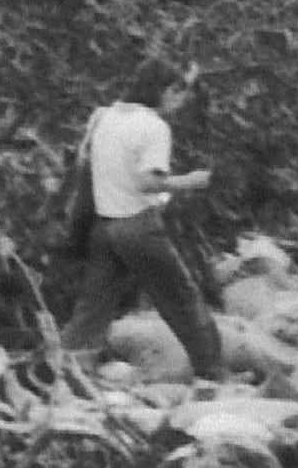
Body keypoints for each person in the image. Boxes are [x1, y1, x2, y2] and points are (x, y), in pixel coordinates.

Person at [60, 69, 223, 380]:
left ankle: (62, 367)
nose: (178, 102)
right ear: (160, 91)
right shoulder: (153, 126)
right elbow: (147, 182)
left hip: (104, 223)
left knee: (92, 308)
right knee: (182, 299)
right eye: (176, 93)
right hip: (138, 225)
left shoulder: (106, 117)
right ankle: (212, 372)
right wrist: (190, 181)